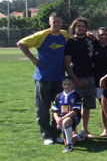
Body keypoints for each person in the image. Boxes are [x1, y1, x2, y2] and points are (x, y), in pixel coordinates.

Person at [17, 12, 70, 145]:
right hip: (43, 78)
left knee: (58, 108)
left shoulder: (64, 35)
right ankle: (46, 135)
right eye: (54, 22)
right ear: (49, 22)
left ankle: (56, 133)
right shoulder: (42, 35)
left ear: (61, 23)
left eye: (58, 22)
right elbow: (21, 43)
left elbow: (72, 47)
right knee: (42, 108)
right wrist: (33, 59)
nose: (56, 24)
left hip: (59, 78)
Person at [64, 17, 96, 138]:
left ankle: (85, 130)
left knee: (87, 106)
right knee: (74, 106)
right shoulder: (71, 42)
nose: (81, 28)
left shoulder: (90, 40)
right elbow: (66, 64)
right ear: (74, 28)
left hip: (90, 77)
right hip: (76, 78)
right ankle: (74, 131)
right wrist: (76, 80)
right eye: (79, 26)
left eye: (83, 26)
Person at [51, 76, 85, 153]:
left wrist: (62, 119)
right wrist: (57, 120)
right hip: (62, 120)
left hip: (73, 118)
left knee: (66, 121)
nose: (67, 86)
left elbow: (75, 111)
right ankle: (80, 135)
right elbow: (54, 111)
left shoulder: (76, 95)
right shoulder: (58, 96)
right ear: (62, 85)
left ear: (73, 84)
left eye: (69, 84)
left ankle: (69, 146)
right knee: (67, 139)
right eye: (65, 84)